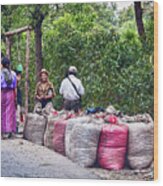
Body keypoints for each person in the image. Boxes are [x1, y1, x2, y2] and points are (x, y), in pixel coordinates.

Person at [1, 57, 17, 139]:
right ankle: (10, 130)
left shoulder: (1, 73)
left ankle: (3, 131)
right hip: (10, 93)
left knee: (2, 111)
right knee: (10, 112)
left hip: (2, 93)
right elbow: (14, 86)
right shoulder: (13, 74)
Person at [15, 64, 24, 133]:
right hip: (16, 101)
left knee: (17, 114)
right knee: (16, 115)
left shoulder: (18, 88)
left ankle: (16, 128)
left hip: (17, 101)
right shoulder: (15, 88)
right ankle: (15, 129)